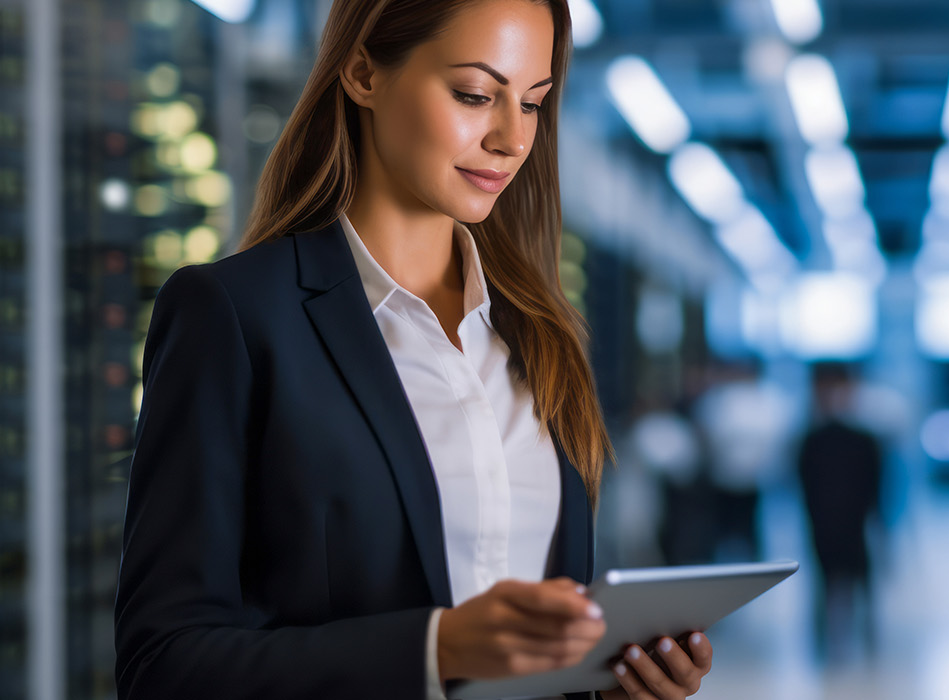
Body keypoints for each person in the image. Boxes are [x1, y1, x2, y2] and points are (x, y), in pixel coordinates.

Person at [112, 2, 712, 699]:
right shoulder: (236, 317)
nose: (512, 138)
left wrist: (609, 680)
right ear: (364, 71)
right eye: (475, 95)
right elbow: (161, 664)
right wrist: (437, 648)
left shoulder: (542, 338)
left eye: (534, 103)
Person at [796, 362, 883, 667]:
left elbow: (876, 487)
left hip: (854, 523)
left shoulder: (865, 440)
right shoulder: (811, 440)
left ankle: (867, 640)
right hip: (823, 524)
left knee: (860, 583)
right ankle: (825, 644)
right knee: (824, 583)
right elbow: (803, 485)